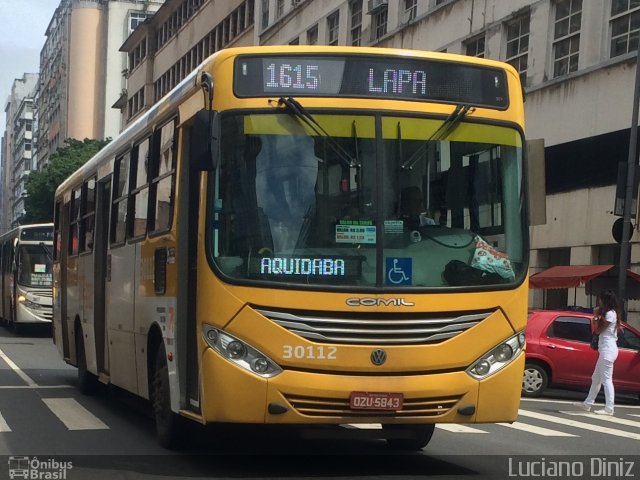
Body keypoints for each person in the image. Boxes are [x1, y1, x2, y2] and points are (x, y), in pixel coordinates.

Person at [574, 290, 621, 416]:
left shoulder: (610, 314)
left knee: (606, 380)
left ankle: (609, 408)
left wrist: (595, 316)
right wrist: (597, 316)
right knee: (596, 378)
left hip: (608, 349)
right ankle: (588, 403)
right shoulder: (610, 313)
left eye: (600, 299)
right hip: (605, 349)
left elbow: (599, 329)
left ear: (605, 301)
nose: (599, 302)